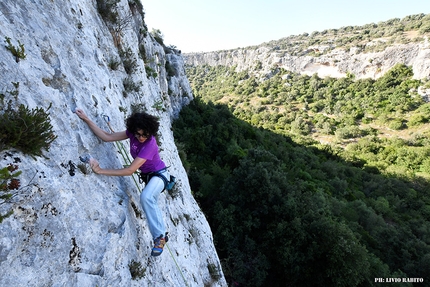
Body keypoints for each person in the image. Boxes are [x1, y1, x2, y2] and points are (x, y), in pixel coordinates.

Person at [75, 109, 169, 256]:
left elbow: (130, 170)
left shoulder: (150, 144)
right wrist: (86, 119)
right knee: (149, 200)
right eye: (138, 134)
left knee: (146, 197)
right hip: (149, 177)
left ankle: (160, 237)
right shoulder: (132, 133)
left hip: (160, 175)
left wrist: (100, 170)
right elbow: (107, 136)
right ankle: (160, 234)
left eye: (145, 134)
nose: (141, 137)